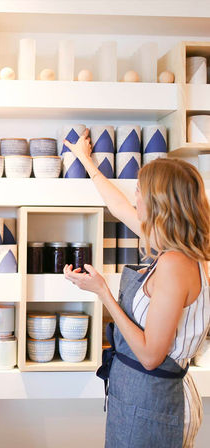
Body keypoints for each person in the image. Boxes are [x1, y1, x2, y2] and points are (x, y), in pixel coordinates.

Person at [63, 130, 210, 448]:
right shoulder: (181, 252)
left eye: (141, 192)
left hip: (157, 402)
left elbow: (150, 355)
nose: (135, 199)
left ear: (160, 204)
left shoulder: (176, 263)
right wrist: (86, 160)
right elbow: (117, 206)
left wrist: (102, 292)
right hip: (144, 398)